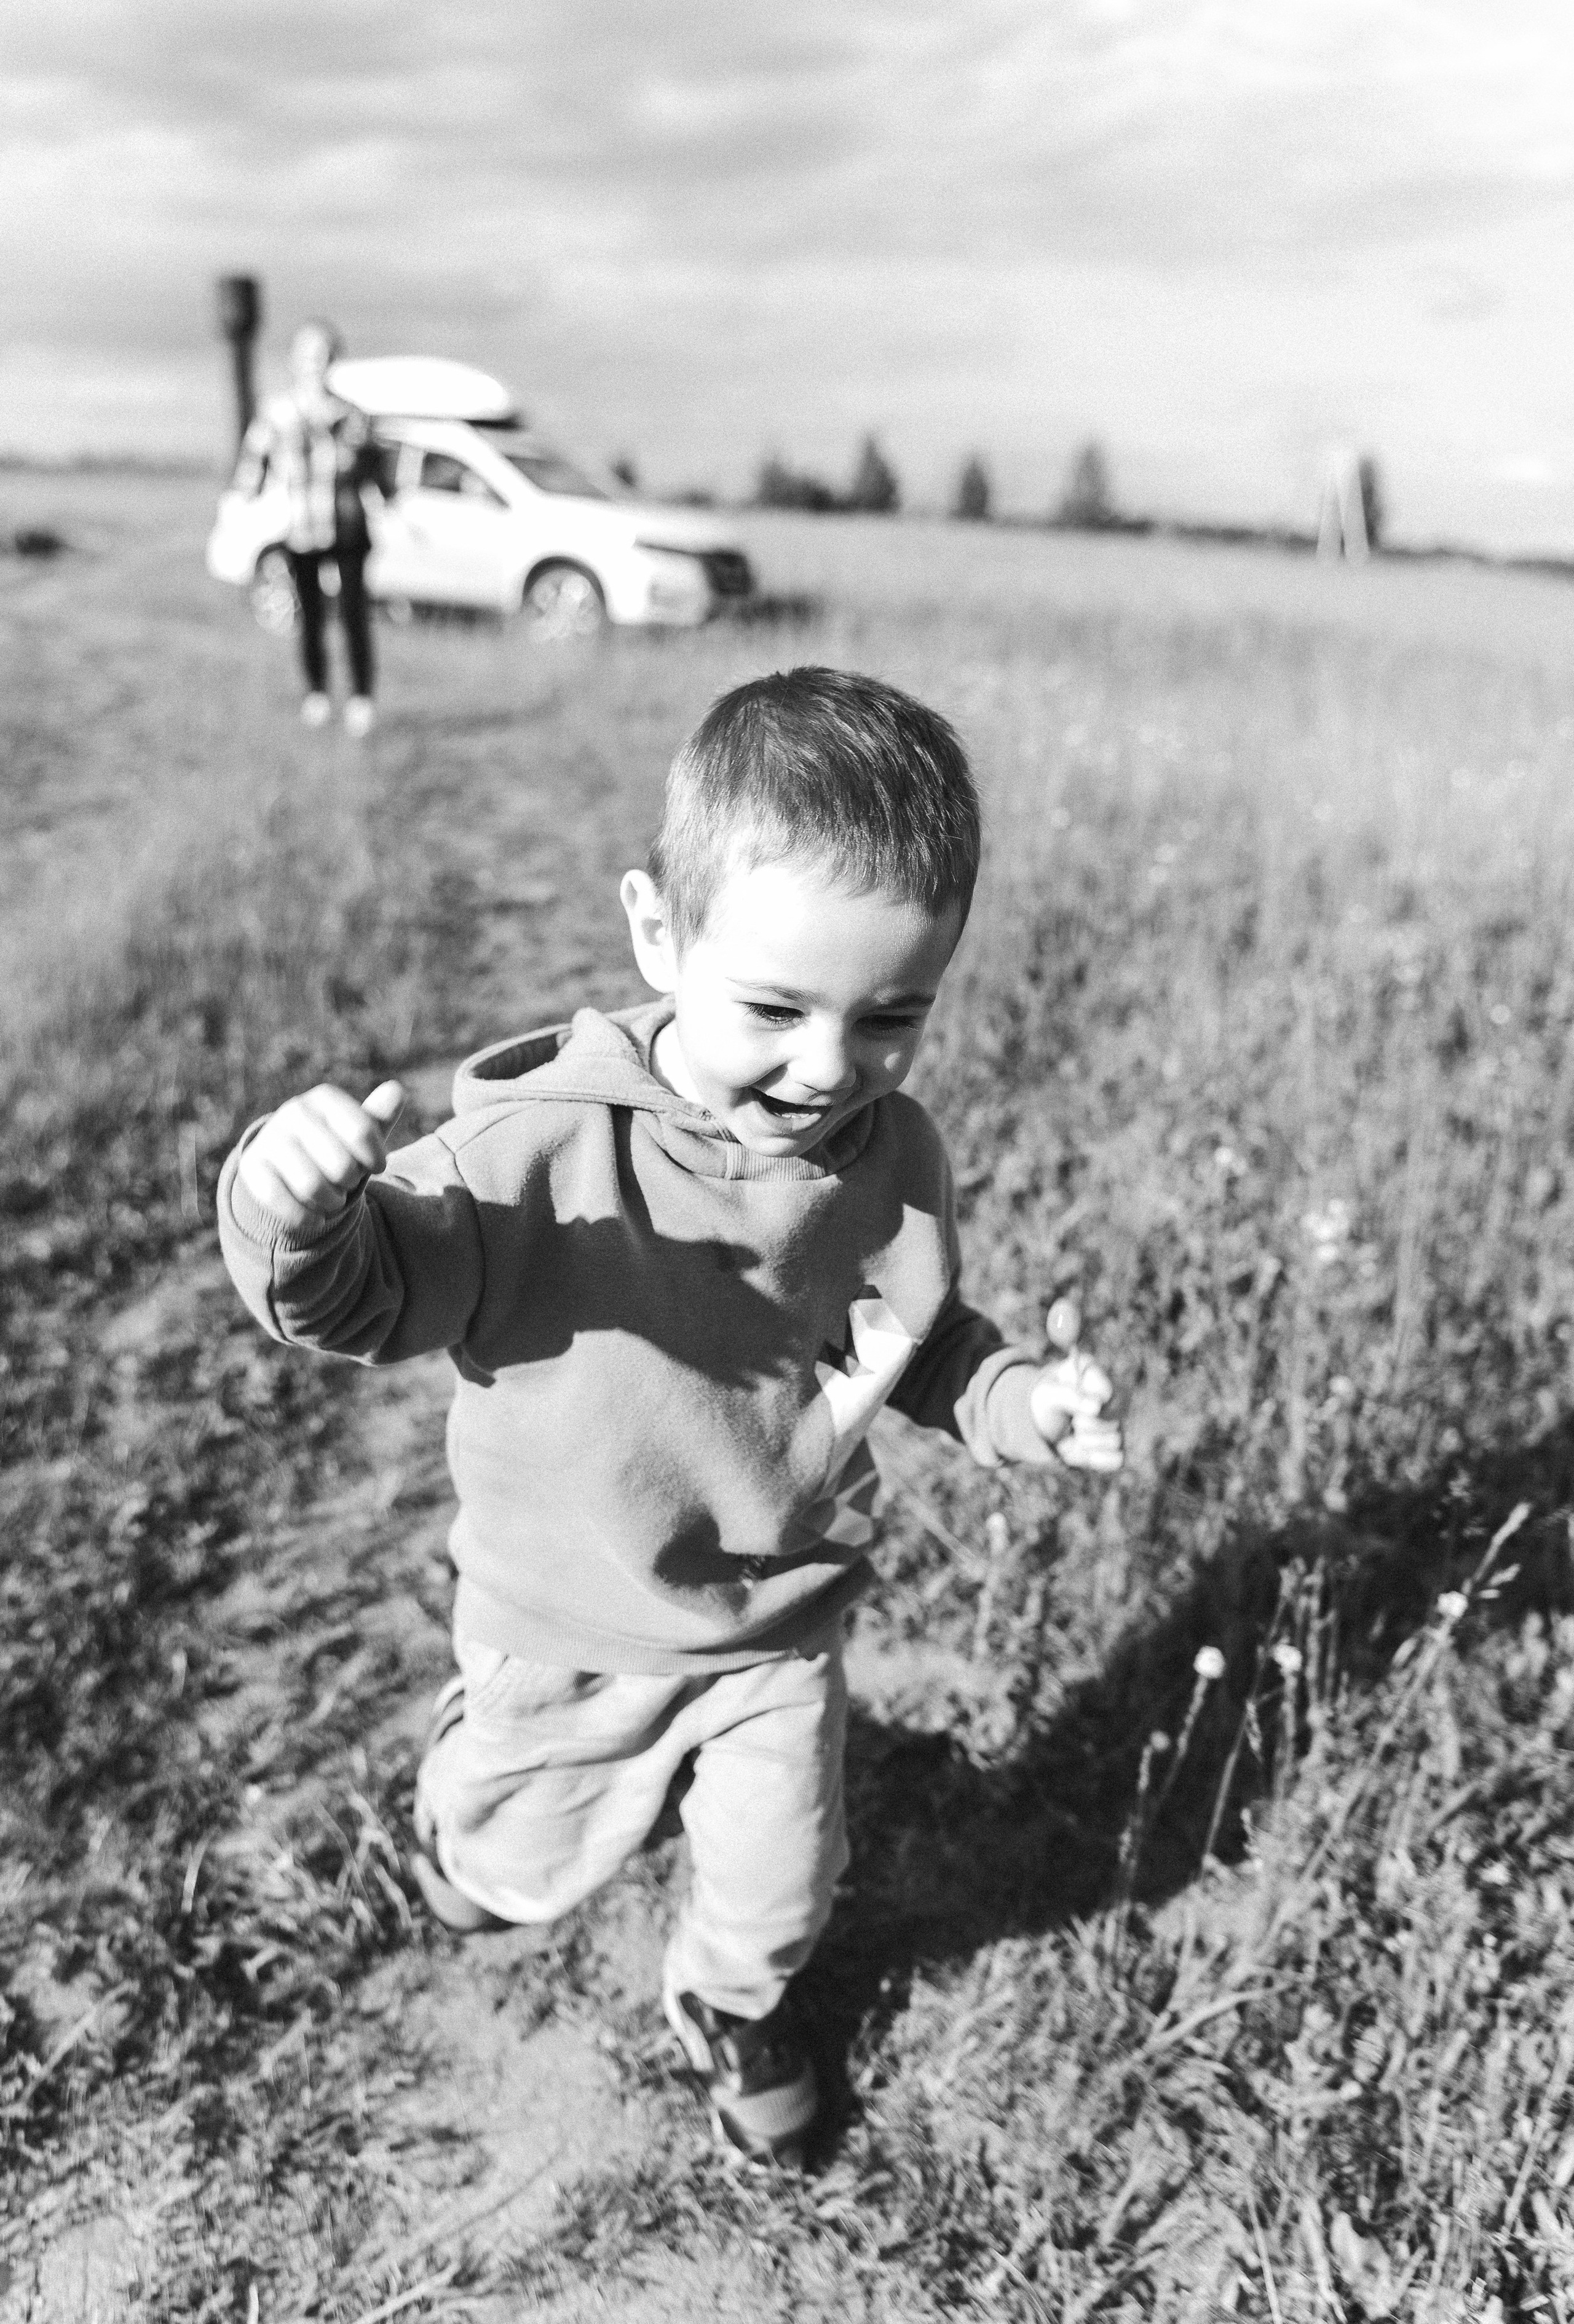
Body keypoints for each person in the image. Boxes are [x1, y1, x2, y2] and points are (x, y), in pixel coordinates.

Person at [215, 667, 1123, 2165]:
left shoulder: (887, 1155)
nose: (826, 1067)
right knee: (514, 1863)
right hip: (567, 1620)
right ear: (659, 931)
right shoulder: (531, 1154)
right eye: (774, 1007)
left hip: (774, 1623)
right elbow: (360, 1298)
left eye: (890, 1016)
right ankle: (464, 1832)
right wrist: (288, 1211)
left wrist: (1018, 1400)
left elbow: (918, 1340)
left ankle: (733, 2004)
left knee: (784, 1870)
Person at [234, 319, 381, 736]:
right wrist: (245, 499)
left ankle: (361, 699)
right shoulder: (277, 413)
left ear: (333, 361)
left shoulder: (352, 415)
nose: (315, 364)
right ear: (294, 361)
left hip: (347, 527)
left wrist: (369, 475)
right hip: (300, 528)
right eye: (307, 356)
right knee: (311, 616)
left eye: (323, 356)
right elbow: (251, 467)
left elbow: (376, 471)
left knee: (353, 614)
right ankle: (317, 694)